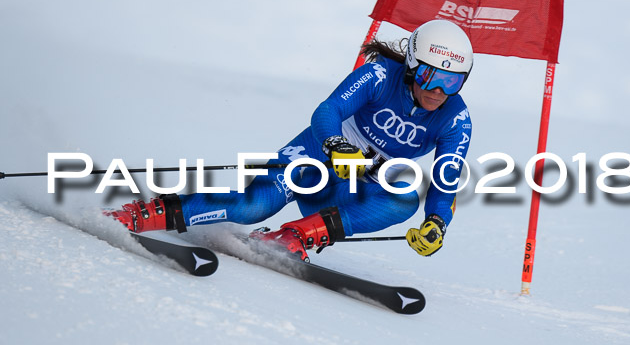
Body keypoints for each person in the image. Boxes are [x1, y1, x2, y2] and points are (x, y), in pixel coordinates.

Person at [106, 19, 473, 261]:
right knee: (254, 207)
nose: (439, 90)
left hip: (353, 185)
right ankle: (144, 213)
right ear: (410, 66)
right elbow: (327, 111)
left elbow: (446, 178)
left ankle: (293, 236)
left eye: (453, 81)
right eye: (430, 76)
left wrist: (437, 223)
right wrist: (335, 145)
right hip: (317, 155)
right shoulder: (379, 73)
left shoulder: (456, 119)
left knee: (404, 200)